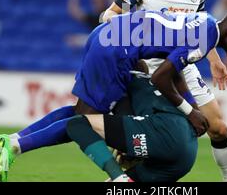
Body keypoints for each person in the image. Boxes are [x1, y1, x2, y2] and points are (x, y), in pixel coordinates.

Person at [0, 9, 227, 182]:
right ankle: (14, 146)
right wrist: (190, 111)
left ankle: (12, 141)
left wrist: (142, 57)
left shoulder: (205, 19)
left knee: (81, 113)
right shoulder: (205, 39)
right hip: (116, 50)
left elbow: (163, 44)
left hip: (106, 35)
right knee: (84, 122)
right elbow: (160, 77)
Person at [102, 0, 227, 181]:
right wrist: (121, 33)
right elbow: (109, 13)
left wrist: (215, 60)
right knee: (143, 145)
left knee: (219, 128)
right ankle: (122, 179)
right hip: (144, 67)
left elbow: (198, 28)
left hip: (182, 65)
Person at [67, 68, 198, 182]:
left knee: (77, 124)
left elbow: (123, 117)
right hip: (187, 153)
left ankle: (120, 178)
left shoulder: (117, 82)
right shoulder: (146, 82)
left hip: (164, 132)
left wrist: (127, 150)